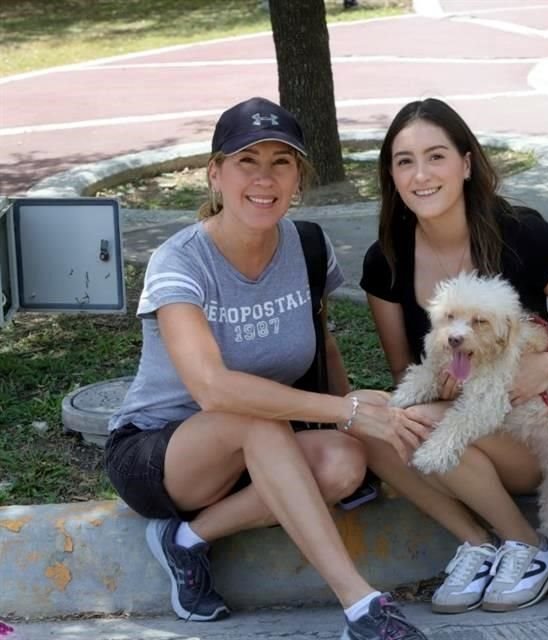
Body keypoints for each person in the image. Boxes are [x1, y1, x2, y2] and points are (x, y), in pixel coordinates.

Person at [104, 97, 430, 640]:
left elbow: (322, 345)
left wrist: (346, 419)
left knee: (343, 462)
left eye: (281, 161)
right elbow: (213, 389)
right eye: (246, 161)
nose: (265, 177)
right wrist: (346, 410)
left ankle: (184, 541)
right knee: (250, 412)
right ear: (215, 174)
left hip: (263, 442)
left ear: (298, 175)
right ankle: (361, 605)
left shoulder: (306, 246)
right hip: (161, 454)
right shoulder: (180, 261)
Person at [359, 98, 548, 613]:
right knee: (375, 428)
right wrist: (445, 379)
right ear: (392, 175)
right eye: (405, 161)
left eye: (436, 156)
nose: (421, 175)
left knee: (417, 423)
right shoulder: (385, 258)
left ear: (467, 163)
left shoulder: (525, 233)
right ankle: (483, 544)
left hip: (526, 434)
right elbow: (404, 371)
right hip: (455, 422)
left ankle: (529, 547)